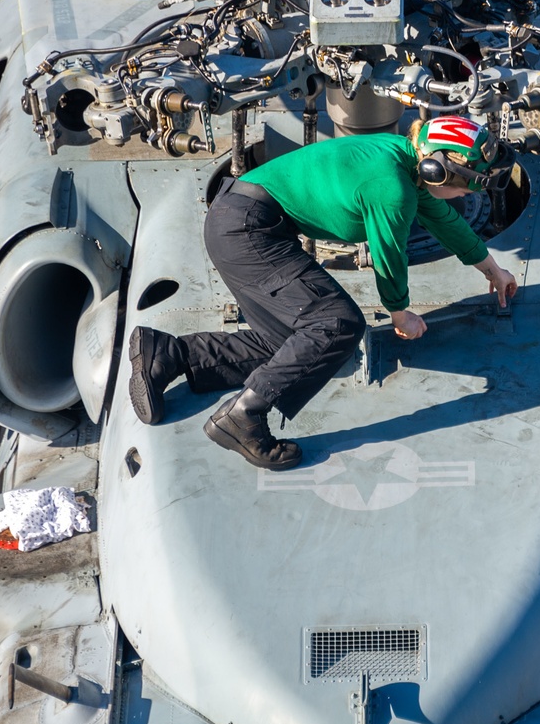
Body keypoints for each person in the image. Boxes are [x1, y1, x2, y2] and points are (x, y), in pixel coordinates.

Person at [128, 116, 519, 470]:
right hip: (249, 230)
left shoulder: (402, 158)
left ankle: (169, 356)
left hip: (241, 220)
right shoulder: (392, 187)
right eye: (468, 183)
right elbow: (389, 254)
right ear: (437, 170)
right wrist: (400, 313)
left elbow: (447, 223)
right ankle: (244, 416)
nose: (468, 195)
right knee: (337, 324)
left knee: (292, 349)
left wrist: (494, 270)